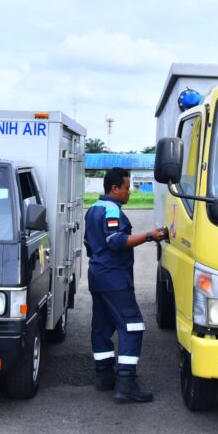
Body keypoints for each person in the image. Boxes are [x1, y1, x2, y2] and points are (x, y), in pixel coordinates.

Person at [85, 167, 166, 403]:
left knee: (102, 327)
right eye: (127, 187)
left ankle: (104, 376)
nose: (130, 192)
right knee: (132, 326)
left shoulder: (93, 209)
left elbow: (90, 243)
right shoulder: (111, 210)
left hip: (98, 276)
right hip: (114, 279)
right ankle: (126, 383)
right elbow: (116, 241)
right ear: (115, 189)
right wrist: (150, 236)